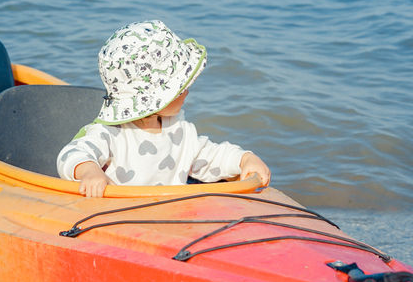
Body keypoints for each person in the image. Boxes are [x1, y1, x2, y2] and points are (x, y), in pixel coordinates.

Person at [57, 20, 271, 197]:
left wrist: (245, 159)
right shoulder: (110, 133)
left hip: (166, 220)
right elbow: (73, 153)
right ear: (154, 100)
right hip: (114, 217)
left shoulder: (180, 132)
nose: (187, 92)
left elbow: (212, 156)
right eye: (179, 89)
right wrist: (89, 171)